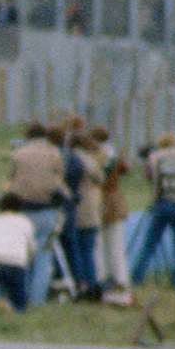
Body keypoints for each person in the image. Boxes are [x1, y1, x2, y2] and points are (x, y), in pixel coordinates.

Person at [5, 123, 67, 301]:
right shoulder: (54, 153)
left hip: (23, 209)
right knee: (43, 255)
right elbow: (59, 178)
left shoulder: (18, 154)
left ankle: (19, 296)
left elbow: (11, 178)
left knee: (22, 254)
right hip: (47, 209)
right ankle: (37, 298)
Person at [129, 133, 175, 288]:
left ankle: (136, 278)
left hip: (162, 202)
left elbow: (148, 176)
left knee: (149, 244)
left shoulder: (155, 157)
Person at [93, 126, 134, 304]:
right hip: (115, 199)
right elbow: (126, 169)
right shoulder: (114, 155)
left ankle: (102, 276)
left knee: (99, 242)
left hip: (100, 199)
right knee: (116, 242)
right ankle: (121, 278)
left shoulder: (97, 156)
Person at [64, 126, 105, 299]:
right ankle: (93, 283)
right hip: (92, 207)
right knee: (88, 248)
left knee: (77, 249)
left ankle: (81, 284)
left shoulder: (70, 159)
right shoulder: (91, 159)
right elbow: (100, 178)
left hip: (77, 208)